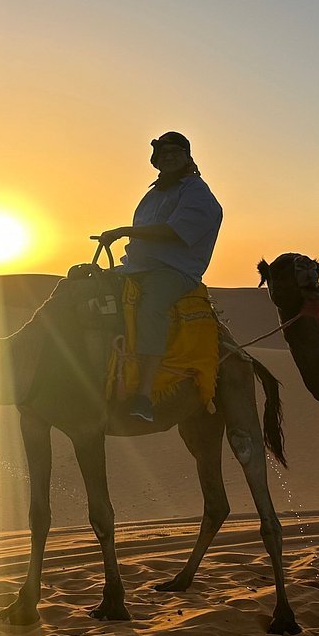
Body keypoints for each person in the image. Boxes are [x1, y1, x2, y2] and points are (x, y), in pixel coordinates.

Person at [97, 131, 223, 422]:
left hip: (173, 271)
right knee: (86, 287)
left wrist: (123, 231)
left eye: (175, 153)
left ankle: (143, 395)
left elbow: (173, 232)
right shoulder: (155, 193)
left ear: (187, 157)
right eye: (163, 154)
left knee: (151, 309)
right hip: (135, 267)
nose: (168, 158)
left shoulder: (196, 193)